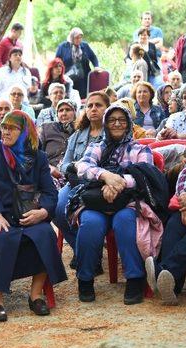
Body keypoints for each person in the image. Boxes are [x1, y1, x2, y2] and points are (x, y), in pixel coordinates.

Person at [0, 110, 67, 321]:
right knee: (1, 236)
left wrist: (43, 211)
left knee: (46, 233)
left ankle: (35, 294)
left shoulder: (38, 157)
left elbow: (50, 192)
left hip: (28, 213)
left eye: (12, 128)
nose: (5, 132)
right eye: (4, 127)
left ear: (25, 132)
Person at [74, 104, 154, 306]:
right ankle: (85, 279)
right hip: (97, 203)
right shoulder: (97, 146)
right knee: (91, 224)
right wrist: (104, 175)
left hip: (127, 202)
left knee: (125, 221)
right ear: (105, 124)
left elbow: (145, 175)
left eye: (122, 119)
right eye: (112, 120)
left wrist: (117, 183)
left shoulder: (139, 149)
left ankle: (135, 278)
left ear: (128, 124)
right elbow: (82, 167)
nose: (117, 123)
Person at [146, 108, 186, 305]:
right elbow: (185, 175)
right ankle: (172, 286)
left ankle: (165, 272)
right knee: (175, 223)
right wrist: (184, 198)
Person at [55, 91, 110, 253]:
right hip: (75, 183)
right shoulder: (77, 135)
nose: (93, 109)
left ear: (107, 109)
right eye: (90, 106)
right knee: (56, 209)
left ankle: (88, 253)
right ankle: (83, 251)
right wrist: (74, 166)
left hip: (98, 185)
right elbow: (63, 165)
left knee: (89, 216)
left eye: (98, 105)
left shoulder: (112, 134)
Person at [56, 28, 100, 99]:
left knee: (82, 97)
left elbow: (93, 57)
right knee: (69, 96)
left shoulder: (84, 46)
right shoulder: (63, 47)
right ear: (72, 37)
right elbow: (57, 61)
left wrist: (96, 66)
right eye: (76, 38)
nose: (79, 40)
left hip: (83, 79)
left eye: (80, 37)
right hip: (68, 78)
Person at [39, 99, 78, 174]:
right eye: (60, 110)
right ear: (56, 114)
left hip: (72, 173)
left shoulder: (80, 130)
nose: (64, 113)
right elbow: (36, 153)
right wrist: (49, 168)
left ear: (75, 112)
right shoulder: (47, 128)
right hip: (48, 172)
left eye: (68, 110)